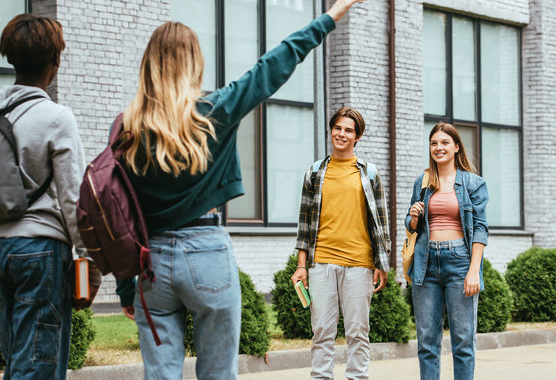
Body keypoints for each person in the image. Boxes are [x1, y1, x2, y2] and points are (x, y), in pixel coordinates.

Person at [113, 1, 367, 378]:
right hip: (206, 252)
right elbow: (275, 63)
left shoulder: (127, 127)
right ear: (194, 64)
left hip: (153, 264)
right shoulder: (215, 110)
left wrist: (123, 287)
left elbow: (120, 214)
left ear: (148, 65)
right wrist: (333, 14)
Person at [0, 14, 96, 380]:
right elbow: (74, 201)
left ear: (11, 57)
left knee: (20, 363)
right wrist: (88, 263)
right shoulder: (56, 117)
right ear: (55, 62)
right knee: (37, 369)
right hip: (40, 253)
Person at [290, 106, 391, 380]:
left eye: (348, 130)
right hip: (321, 263)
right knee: (322, 331)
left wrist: (381, 264)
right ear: (331, 130)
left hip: (360, 264)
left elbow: (381, 223)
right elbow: (304, 225)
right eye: (338, 128)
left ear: (357, 136)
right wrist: (301, 266)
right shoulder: (314, 173)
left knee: (358, 332)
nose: (341, 134)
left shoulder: (369, 174)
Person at [404, 122, 489, 380]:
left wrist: (473, 271)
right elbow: (411, 225)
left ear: (456, 147)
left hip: (460, 262)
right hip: (426, 261)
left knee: (463, 341)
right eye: (433, 143)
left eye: (444, 143)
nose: (438, 148)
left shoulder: (473, 183)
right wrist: (414, 216)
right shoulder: (423, 181)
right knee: (427, 341)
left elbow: (481, 229)